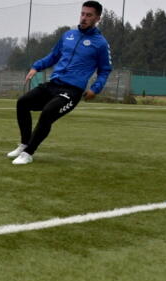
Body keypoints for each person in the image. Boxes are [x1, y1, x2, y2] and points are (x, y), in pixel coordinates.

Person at [7, 1, 112, 165]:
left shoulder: (101, 44)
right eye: (82, 14)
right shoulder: (68, 36)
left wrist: (95, 88)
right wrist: (36, 66)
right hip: (53, 84)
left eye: (89, 15)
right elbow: (53, 56)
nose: (84, 18)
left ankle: (28, 153)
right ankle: (24, 144)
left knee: (48, 112)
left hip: (72, 91)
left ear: (97, 18)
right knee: (22, 102)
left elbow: (105, 70)